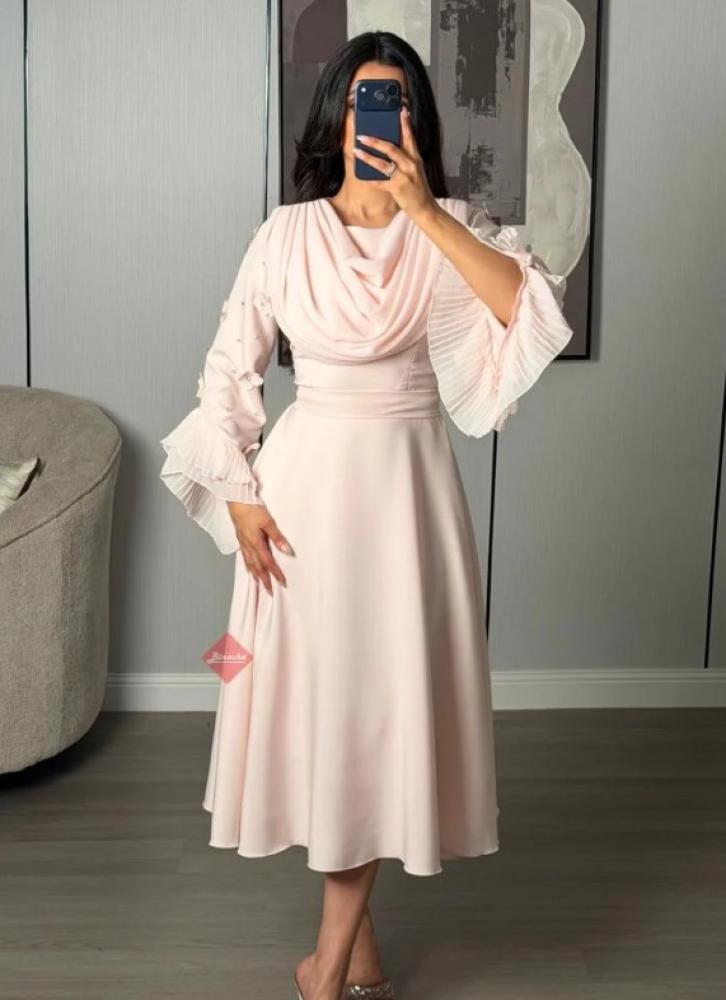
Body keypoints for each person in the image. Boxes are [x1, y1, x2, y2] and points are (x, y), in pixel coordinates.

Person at [159, 30, 573, 1000]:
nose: (372, 120)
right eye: (358, 102)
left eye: (392, 103)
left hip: (407, 506)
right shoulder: (285, 233)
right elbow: (227, 372)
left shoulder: (453, 226)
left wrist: (425, 212)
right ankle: (359, 962)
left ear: (415, 123)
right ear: (335, 118)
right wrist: (240, 496)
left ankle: (326, 969)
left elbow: (526, 310)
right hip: (300, 508)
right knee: (336, 715)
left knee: (382, 714)